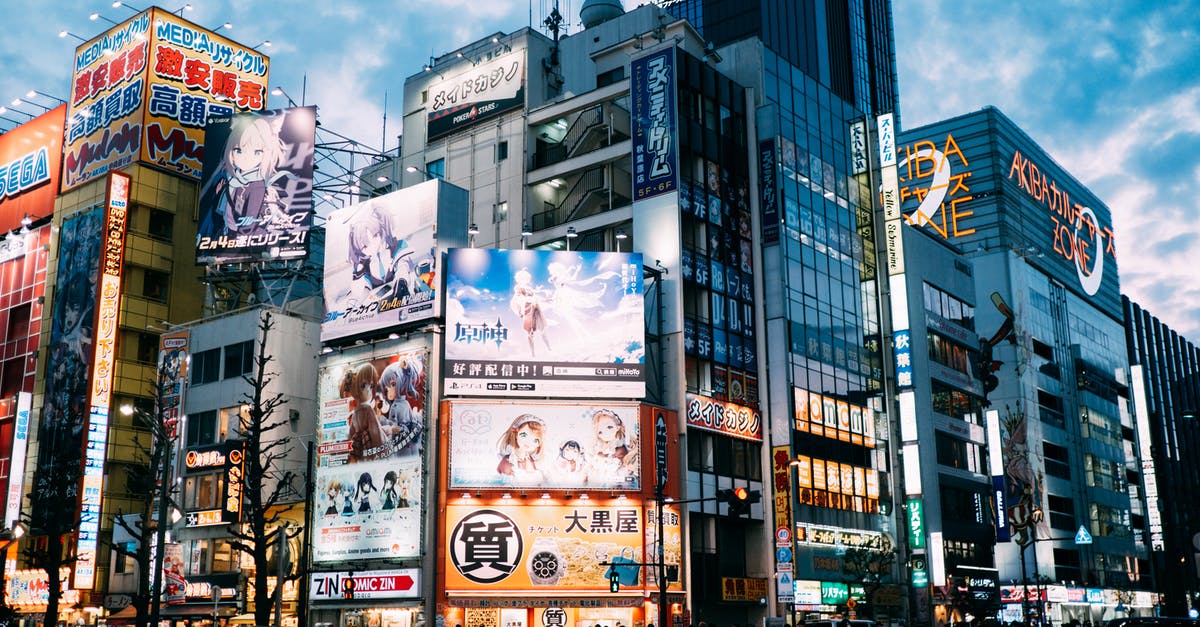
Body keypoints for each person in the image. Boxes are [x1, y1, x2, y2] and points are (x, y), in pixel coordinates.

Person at [198, 114, 290, 239]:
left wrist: (234, 244)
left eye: (257, 152)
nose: (246, 158)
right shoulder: (231, 180)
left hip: (241, 240)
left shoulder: (257, 185)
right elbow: (220, 212)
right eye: (239, 150)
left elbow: (249, 223)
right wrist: (219, 195)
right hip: (226, 234)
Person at [341, 362, 388, 461]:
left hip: (361, 452)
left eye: (371, 386)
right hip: (369, 450)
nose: (368, 390)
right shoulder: (367, 409)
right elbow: (376, 433)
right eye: (363, 386)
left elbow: (351, 434)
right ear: (355, 388)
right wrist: (386, 452)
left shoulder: (355, 412)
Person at [509, 268, 550, 356]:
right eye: (523, 278)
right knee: (530, 332)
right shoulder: (518, 288)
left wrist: (546, 300)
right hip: (528, 309)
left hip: (536, 308)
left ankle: (549, 348)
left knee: (543, 330)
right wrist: (519, 311)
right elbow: (517, 299)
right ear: (519, 279)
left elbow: (536, 297)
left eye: (526, 278)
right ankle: (533, 354)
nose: (525, 280)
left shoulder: (529, 288)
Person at [496, 413, 546, 482]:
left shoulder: (529, 459)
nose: (529, 442)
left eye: (535, 440)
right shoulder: (508, 461)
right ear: (516, 434)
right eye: (524, 435)